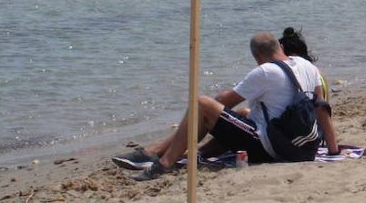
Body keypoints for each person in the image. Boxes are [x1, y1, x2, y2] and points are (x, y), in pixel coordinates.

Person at [112, 31, 338, 179]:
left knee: (202, 104)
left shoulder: (265, 71)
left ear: (258, 56)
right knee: (245, 113)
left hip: (275, 148)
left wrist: (216, 102)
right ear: (279, 46)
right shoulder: (306, 65)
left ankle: (163, 161)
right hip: (304, 145)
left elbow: (222, 103)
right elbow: (320, 105)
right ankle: (186, 153)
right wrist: (332, 147)